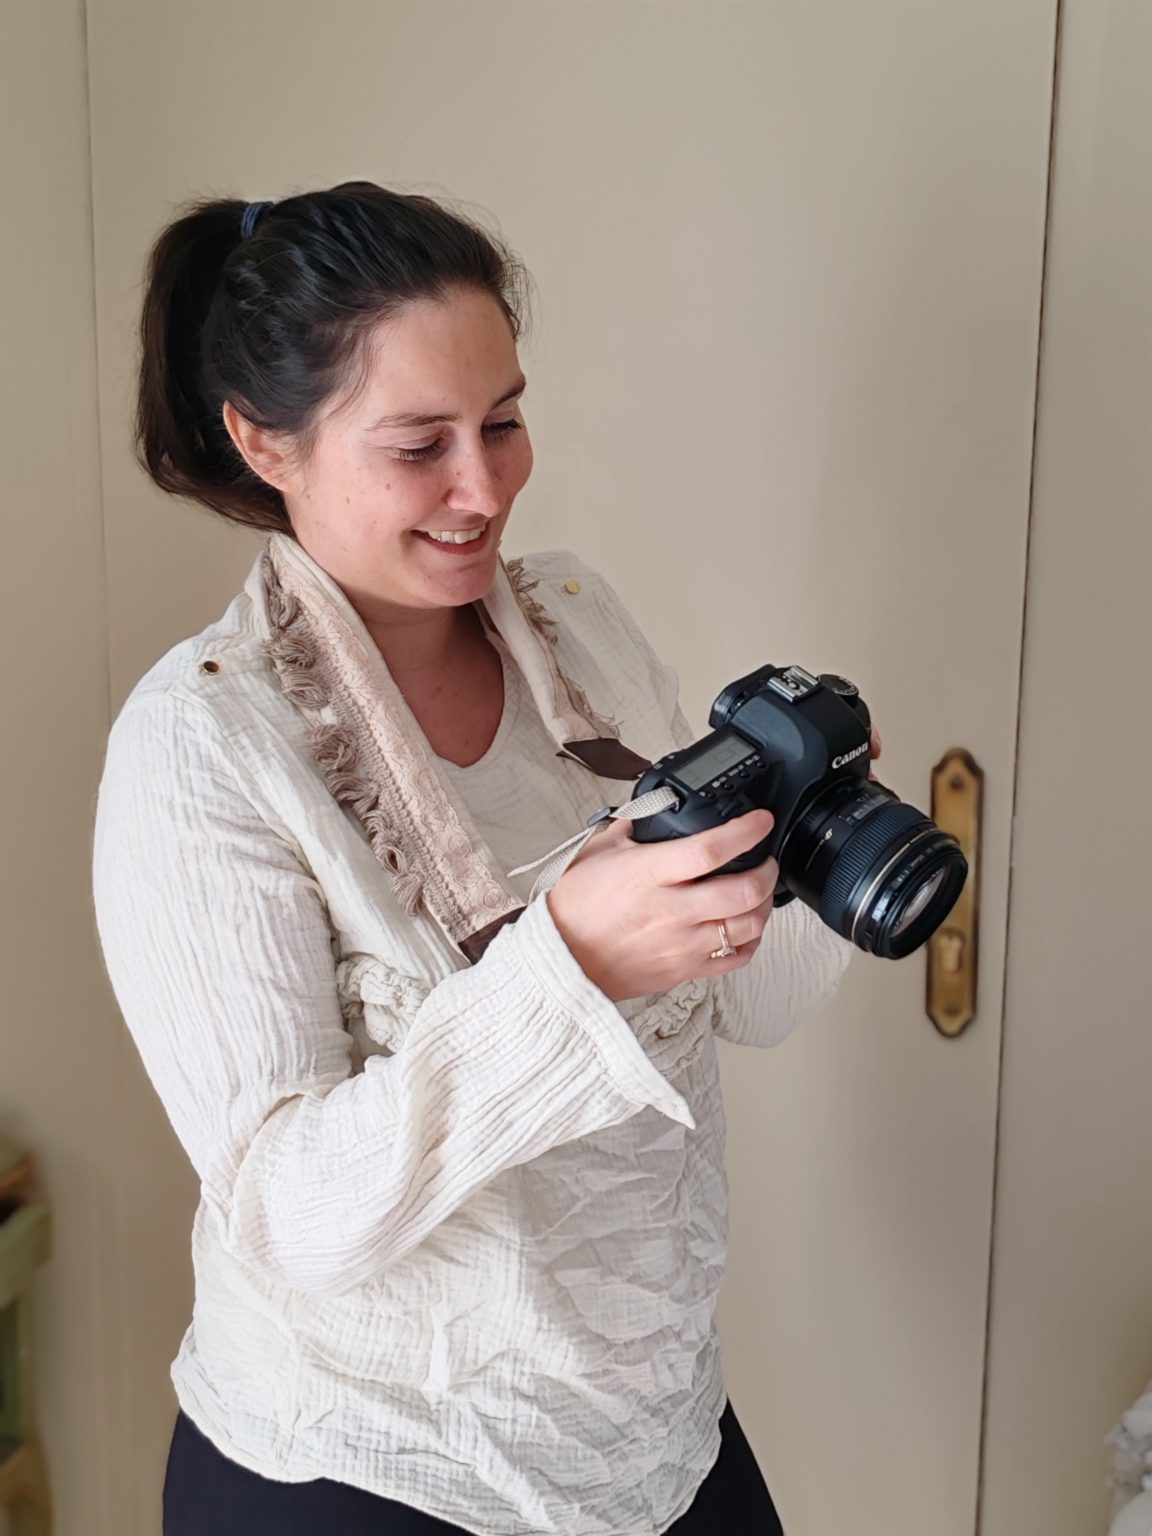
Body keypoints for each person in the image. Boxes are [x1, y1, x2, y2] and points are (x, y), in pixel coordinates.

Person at [93, 180, 867, 1536]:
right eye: (419, 445)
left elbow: (749, 1000)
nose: (484, 484)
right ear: (264, 442)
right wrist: (571, 967)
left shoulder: (573, 618)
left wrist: (814, 847)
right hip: (367, 1468)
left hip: (650, 1433)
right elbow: (290, 1214)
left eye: (504, 421)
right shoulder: (203, 745)